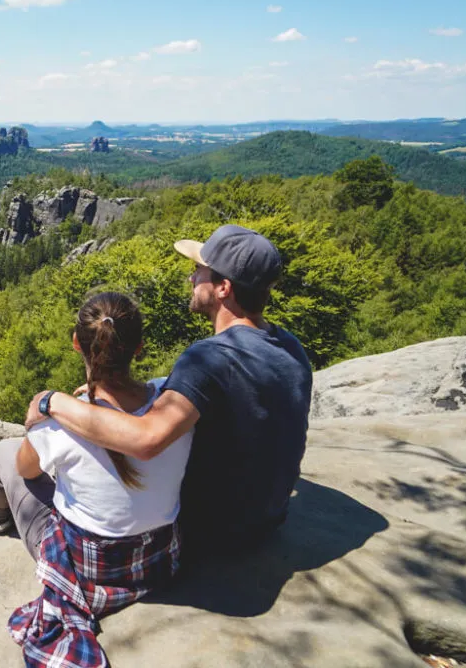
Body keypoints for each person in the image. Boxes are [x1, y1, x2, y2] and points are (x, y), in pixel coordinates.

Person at [23, 224, 312, 559]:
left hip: (209, 535)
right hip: (267, 522)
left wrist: (51, 401)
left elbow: (146, 440)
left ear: (223, 288)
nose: (192, 279)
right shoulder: (291, 347)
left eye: (199, 271)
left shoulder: (209, 359)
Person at [0, 292, 193, 668]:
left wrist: (54, 415)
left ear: (76, 343)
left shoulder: (55, 428)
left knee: (5, 456)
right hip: (158, 563)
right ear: (138, 348)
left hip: (89, 573)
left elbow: (28, 473)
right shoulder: (174, 407)